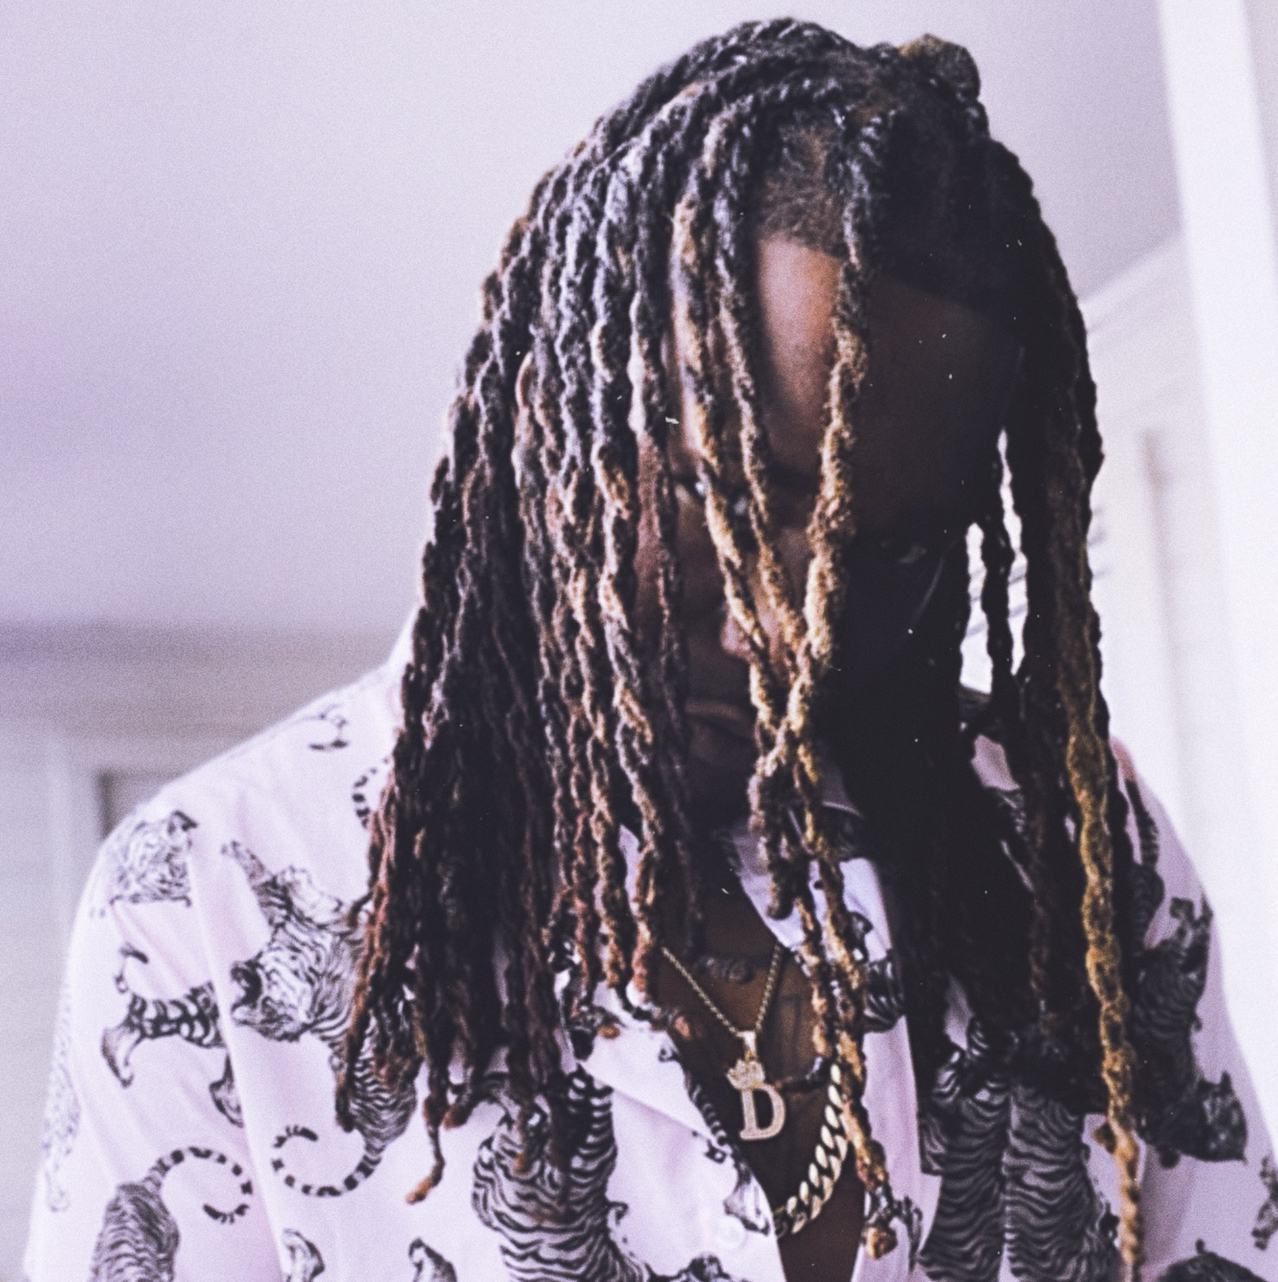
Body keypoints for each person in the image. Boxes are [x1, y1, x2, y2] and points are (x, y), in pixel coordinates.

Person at [24, 21, 1276, 1282]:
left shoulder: (1070, 847)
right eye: (719, 491)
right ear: (555, 406)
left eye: (886, 552)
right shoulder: (212, 901)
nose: (785, 634)